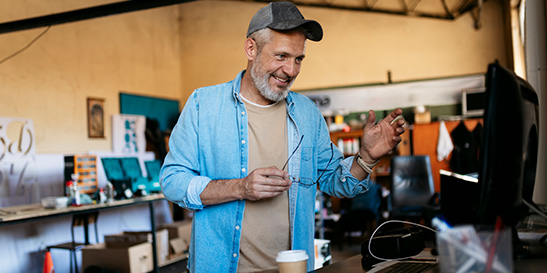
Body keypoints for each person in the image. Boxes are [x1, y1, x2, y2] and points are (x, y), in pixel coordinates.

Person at [160, 2, 405, 272]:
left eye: (298, 59)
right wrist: (240, 188)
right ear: (251, 49)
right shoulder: (202, 105)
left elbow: (336, 181)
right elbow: (172, 181)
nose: (291, 70)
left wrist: (368, 157)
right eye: (281, 56)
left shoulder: (307, 114)